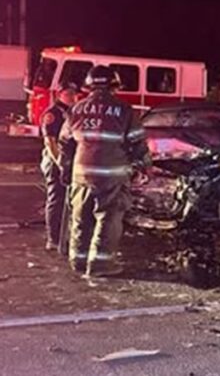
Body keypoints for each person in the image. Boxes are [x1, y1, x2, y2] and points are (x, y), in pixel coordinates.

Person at [58, 65, 151, 277]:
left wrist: (66, 168)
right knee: (108, 218)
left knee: (81, 217)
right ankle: (101, 265)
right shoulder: (125, 111)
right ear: (114, 86)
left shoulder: (75, 109)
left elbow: (64, 142)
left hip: (81, 173)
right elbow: (138, 144)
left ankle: (78, 261)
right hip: (111, 174)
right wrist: (145, 166)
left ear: (89, 86)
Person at [40, 81, 78, 251]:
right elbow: (50, 142)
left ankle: (64, 237)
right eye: (67, 93)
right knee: (56, 199)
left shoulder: (72, 113)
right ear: (59, 94)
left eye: (74, 93)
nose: (72, 96)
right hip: (55, 162)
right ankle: (53, 239)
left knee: (68, 201)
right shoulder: (53, 114)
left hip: (68, 162)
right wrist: (61, 164)